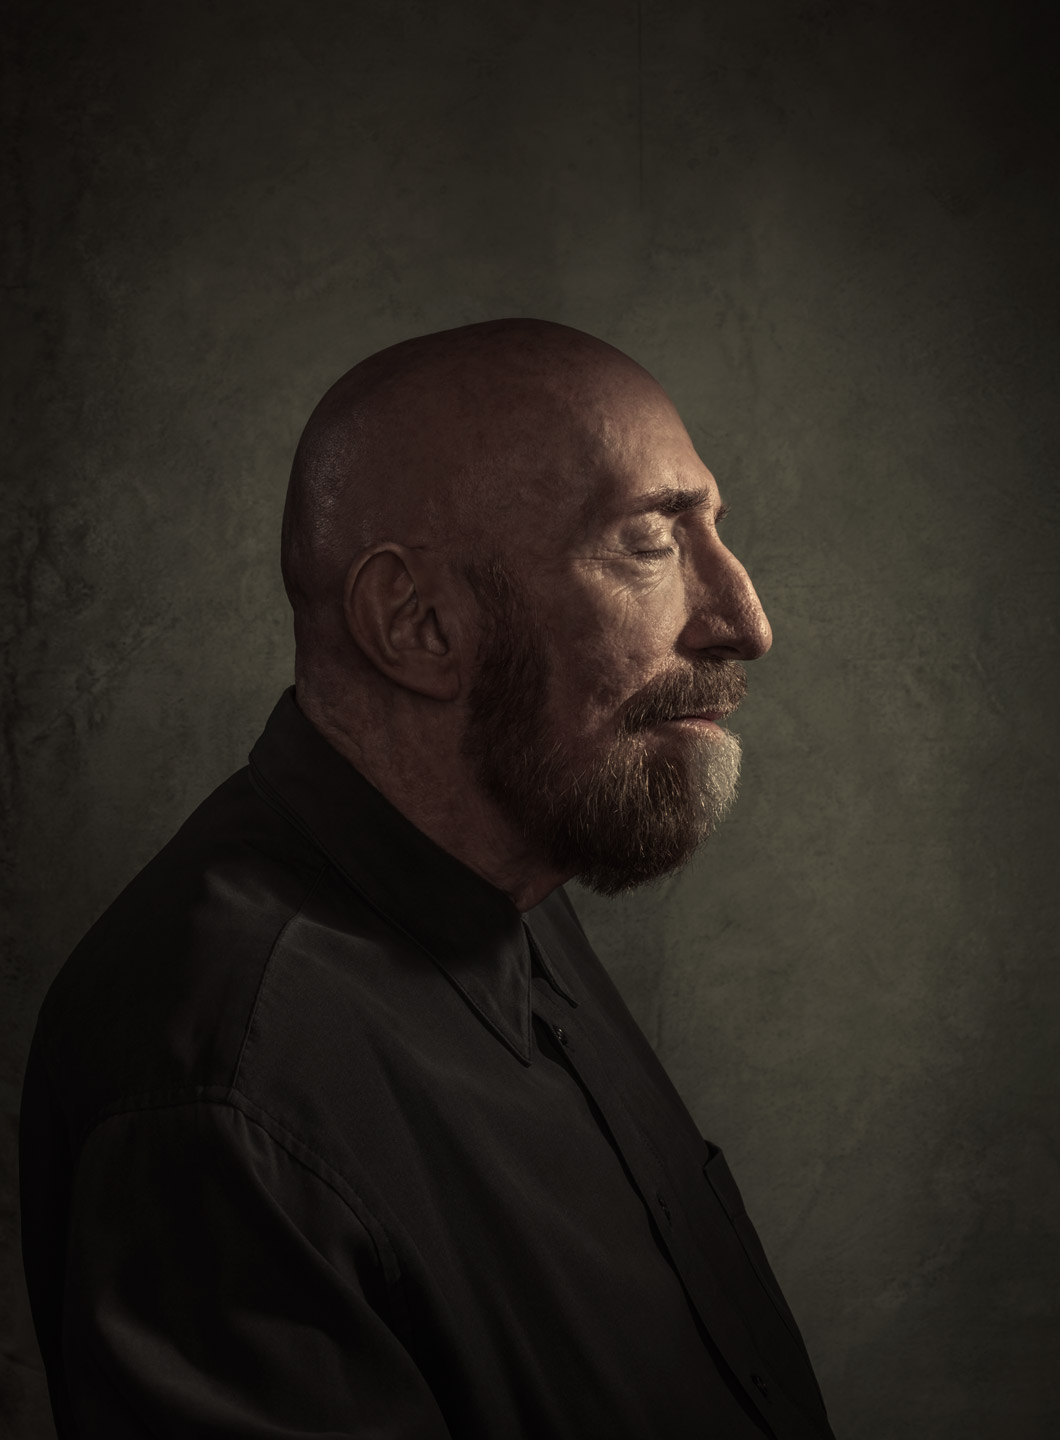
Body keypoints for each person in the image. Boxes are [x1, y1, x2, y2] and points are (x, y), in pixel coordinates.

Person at [20, 319, 835, 1438]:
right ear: (416, 624)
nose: (745, 622)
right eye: (650, 540)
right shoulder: (221, 1088)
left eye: (713, 531)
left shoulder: (508, 871)